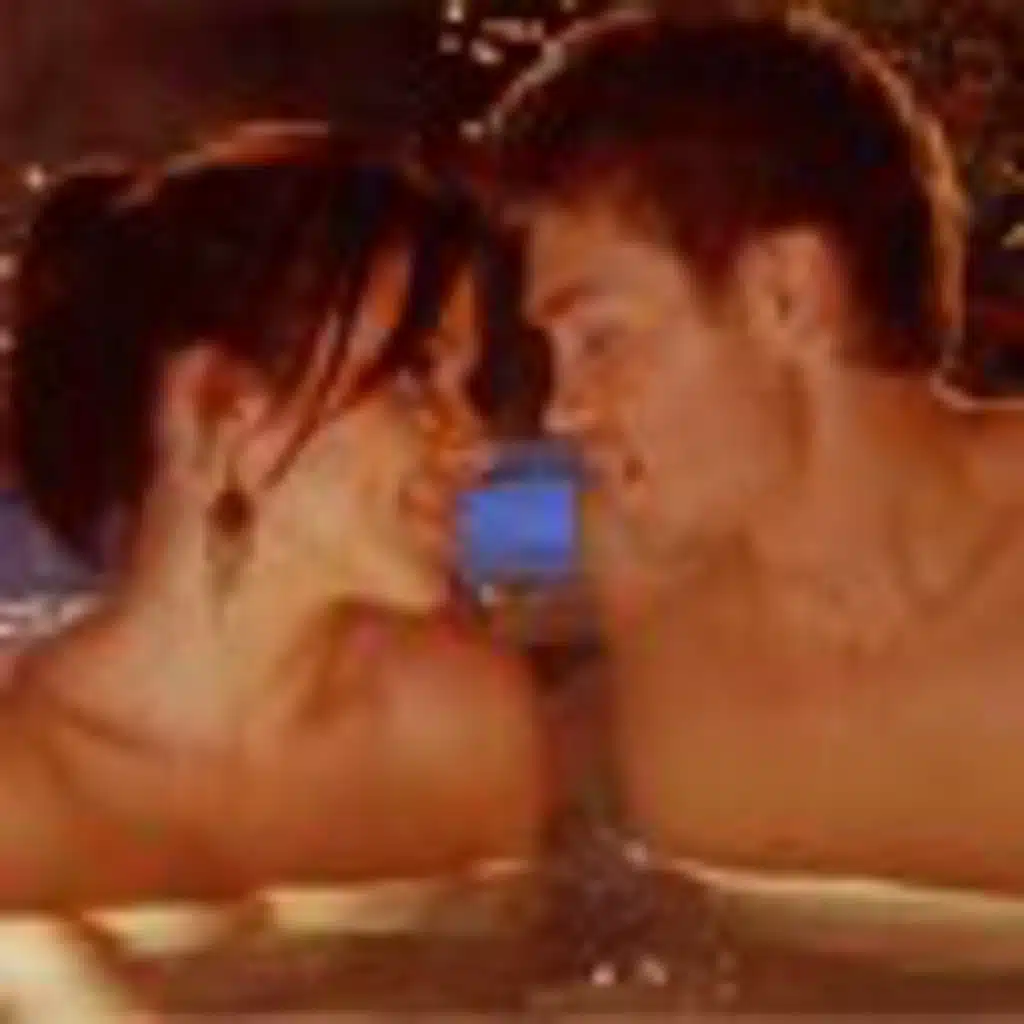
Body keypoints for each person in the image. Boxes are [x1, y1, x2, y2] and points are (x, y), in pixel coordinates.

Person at [489, 8, 1024, 895]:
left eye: (600, 339)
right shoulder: (630, 561)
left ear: (785, 294)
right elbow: (348, 519)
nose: (562, 410)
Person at [0, 124, 547, 910]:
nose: (476, 445)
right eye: (416, 376)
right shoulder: (18, 790)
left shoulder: (460, 725)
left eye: (469, 388)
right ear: (223, 403)